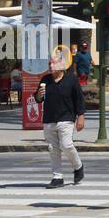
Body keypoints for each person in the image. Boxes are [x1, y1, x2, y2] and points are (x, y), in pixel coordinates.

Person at [34, 54, 85, 188]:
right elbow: (38, 99)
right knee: (53, 148)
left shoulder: (71, 80)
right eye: (49, 63)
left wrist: (80, 117)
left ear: (62, 65)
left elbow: (79, 99)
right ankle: (57, 177)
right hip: (49, 118)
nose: (51, 66)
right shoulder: (45, 80)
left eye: (54, 63)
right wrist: (39, 94)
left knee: (67, 145)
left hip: (66, 117)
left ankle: (78, 166)